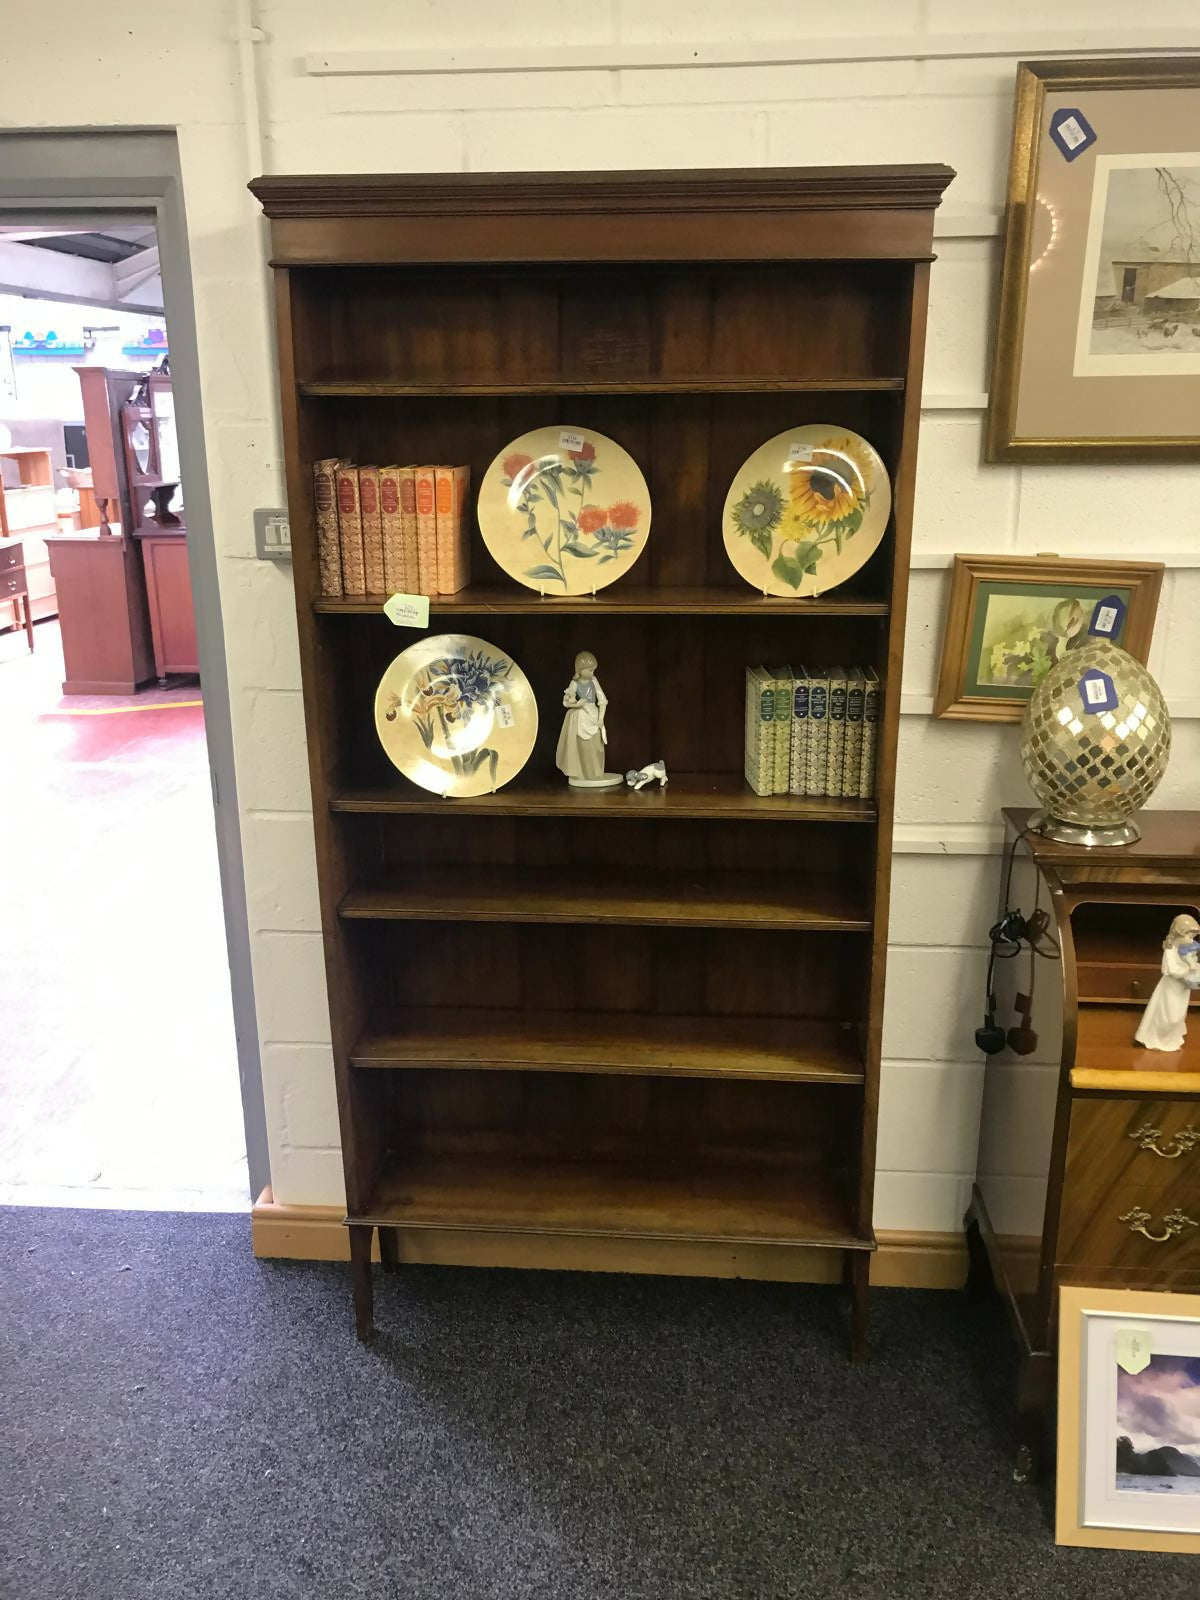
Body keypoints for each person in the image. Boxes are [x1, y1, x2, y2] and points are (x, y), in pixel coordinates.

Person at [1134, 913, 1200, 1053]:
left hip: (1182, 988)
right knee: (1168, 1015)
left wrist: (1193, 964)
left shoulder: (1188, 949)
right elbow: (1171, 971)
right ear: (1179, 933)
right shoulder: (1170, 950)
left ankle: (1171, 1039)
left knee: (1179, 1015)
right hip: (1171, 987)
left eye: (1193, 937)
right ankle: (1156, 1038)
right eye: (1188, 936)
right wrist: (1188, 967)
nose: (1191, 940)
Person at [555, 650, 611, 785]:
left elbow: (602, 699)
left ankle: (596, 773)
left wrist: (601, 718)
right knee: (583, 746)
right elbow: (566, 702)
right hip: (581, 717)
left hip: (593, 713)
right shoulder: (574, 683)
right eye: (590, 670)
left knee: (597, 745)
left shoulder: (594, 680)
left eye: (593, 670)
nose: (592, 673)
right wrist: (576, 705)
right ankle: (583, 773)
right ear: (580, 670)